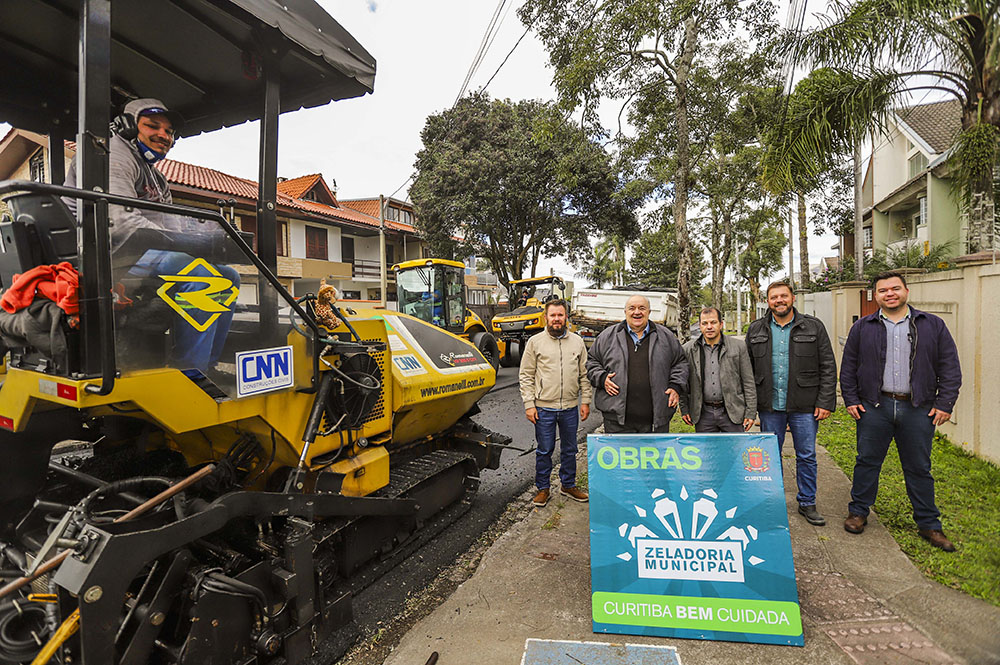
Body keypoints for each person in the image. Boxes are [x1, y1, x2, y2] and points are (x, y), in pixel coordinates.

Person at [64, 98, 238, 372]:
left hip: (139, 253)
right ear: (128, 127)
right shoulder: (111, 155)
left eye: (169, 132)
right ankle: (190, 372)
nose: (164, 136)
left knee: (229, 276)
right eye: (152, 126)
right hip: (107, 255)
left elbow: (171, 225)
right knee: (200, 276)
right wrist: (191, 243)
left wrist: (208, 236)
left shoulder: (156, 177)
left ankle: (207, 366)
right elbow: (120, 224)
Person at [840, 271, 961, 551]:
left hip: (917, 408)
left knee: (919, 467)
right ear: (876, 296)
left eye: (895, 288)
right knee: (867, 462)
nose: (889, 294)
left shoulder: (933, 325)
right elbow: (848, 367)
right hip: (875, 406)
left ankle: (929, 525)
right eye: (883, 290)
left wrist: (945, 403)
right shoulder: (863, 327)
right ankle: (858, 512)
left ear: (906, 291)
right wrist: (850, 399)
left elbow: (950, 367)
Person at [747, 281, 836, 526]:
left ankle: (807, 502)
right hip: (769, 406)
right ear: (768, 301)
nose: (779, 300)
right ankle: (768, 501)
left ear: (793, 298)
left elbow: (828, 365)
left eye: (783, 296)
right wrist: (750, 406)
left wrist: (825, 401)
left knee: (806, 455)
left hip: (804, 405)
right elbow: (747, 370)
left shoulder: (814, 327)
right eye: (774, 297)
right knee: (768, 457)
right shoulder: (756, 329)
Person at [519, 299, 592, 507]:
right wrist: (529, 404)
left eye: (560, 315)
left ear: (566, 317)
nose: (557, 319)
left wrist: (585, 401)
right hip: (543, 408)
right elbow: (525, 375)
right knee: (545, 450)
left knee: (570, 449)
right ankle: (543, 489)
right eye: (553, 315)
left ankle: (568, 485)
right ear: (546, 318)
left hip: (570, 408)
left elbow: (584, 375)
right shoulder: (535, 342)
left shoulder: (577, 342)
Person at [586, 294, 689, 433]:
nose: (637, 312)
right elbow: (592, 361)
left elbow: (680, 363)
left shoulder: (666, 337)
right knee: (621, 456)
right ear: (625, 312)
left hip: (656, 421)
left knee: (656, 455)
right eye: (632, 308)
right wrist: (602, 378)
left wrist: (675, 386)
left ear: (649, 312)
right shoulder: (607, 337)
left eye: (642, 308)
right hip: (616, 422)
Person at [680, 307, 756, 433]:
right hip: (704, 414)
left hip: (732, 412)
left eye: (713, 322)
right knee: (707, 452)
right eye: (705, 323)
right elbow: (683, 383)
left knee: (734, 451)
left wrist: (751, 412)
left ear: (721, 324)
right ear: (699, 326)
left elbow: (748, 381)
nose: (709, 327)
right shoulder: (688, 349)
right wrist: (684, 409)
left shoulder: (738, 347)